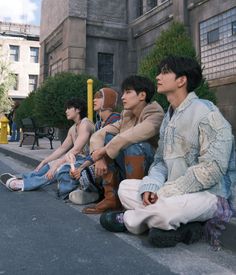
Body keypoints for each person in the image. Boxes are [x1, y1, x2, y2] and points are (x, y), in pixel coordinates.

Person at [100, 55, 235, 249]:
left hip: (209, 195)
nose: (157, 77)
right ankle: (178, 226)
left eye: (164, 72)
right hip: (171, 191)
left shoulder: (207, 113)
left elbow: (212, 170)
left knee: (165, 209)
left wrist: (166, 192)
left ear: (182, 80)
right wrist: (151, 187)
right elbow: (160, 162)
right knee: (126, 188)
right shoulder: (168, 117)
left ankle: (131, 220)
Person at [81, 75, 164, 214]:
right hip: (128, 166)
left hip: (152, 170)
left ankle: (133, 200)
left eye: (128, 92)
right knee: (109, 138)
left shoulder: (155, 113)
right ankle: (111, 198)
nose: (123, 97)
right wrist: (99, 157)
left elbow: (132, 136)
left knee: (132, 144)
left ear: (142, 95)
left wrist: (103, 151)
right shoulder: (127, 115)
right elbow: (98, 135)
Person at [0, 98, 94, 193]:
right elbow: (62, 148)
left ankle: (23, 185)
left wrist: (56, 165)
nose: (66, 111)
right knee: (47, 166)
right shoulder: (73, 128)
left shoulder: (85, 124)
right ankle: (21, 178)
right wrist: (44, 162)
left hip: (87, 161)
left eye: (69, 108)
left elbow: (76, 150)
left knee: (57, 168)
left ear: (78, 109)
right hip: (76, 158)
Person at [62, 87, 120, 204]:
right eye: (94, 97)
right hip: (98, 160)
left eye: (99, 97)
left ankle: (103, 194)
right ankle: (93, 192)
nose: (94, 100)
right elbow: (92, 154)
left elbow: (112, 147)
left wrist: (84, 168)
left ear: (108, 101)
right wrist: (80, 168)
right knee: (73, 171)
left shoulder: (116, 119)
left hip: (113, 163)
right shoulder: (98, 123)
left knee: (85, 174)